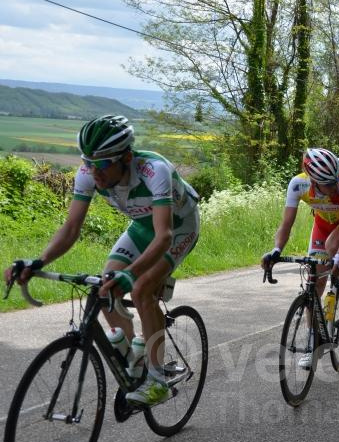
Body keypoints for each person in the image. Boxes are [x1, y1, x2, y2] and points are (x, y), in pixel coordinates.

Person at [4, 115, 201, 406]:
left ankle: (157, 380)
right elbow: (71, 229)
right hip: (140, 226)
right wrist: (39, 261)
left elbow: (163, 237)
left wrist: (132, 274)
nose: (93, 171)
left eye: (103, 164)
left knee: (142, 289)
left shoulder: (154, 170)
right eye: (88, 162)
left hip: (178, 227)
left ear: (127, 157)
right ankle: (136, 360)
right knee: (104, 285)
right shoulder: (88, 173)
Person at [262, 148, 339, 368]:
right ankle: (313, 340)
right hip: (322, 224)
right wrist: (276, 250)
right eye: (327, 184)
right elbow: (286, 224)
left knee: (334, 247)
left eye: (335, 180)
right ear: (313, 180)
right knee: (315, 282)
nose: (333, 187)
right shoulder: (298, 185)